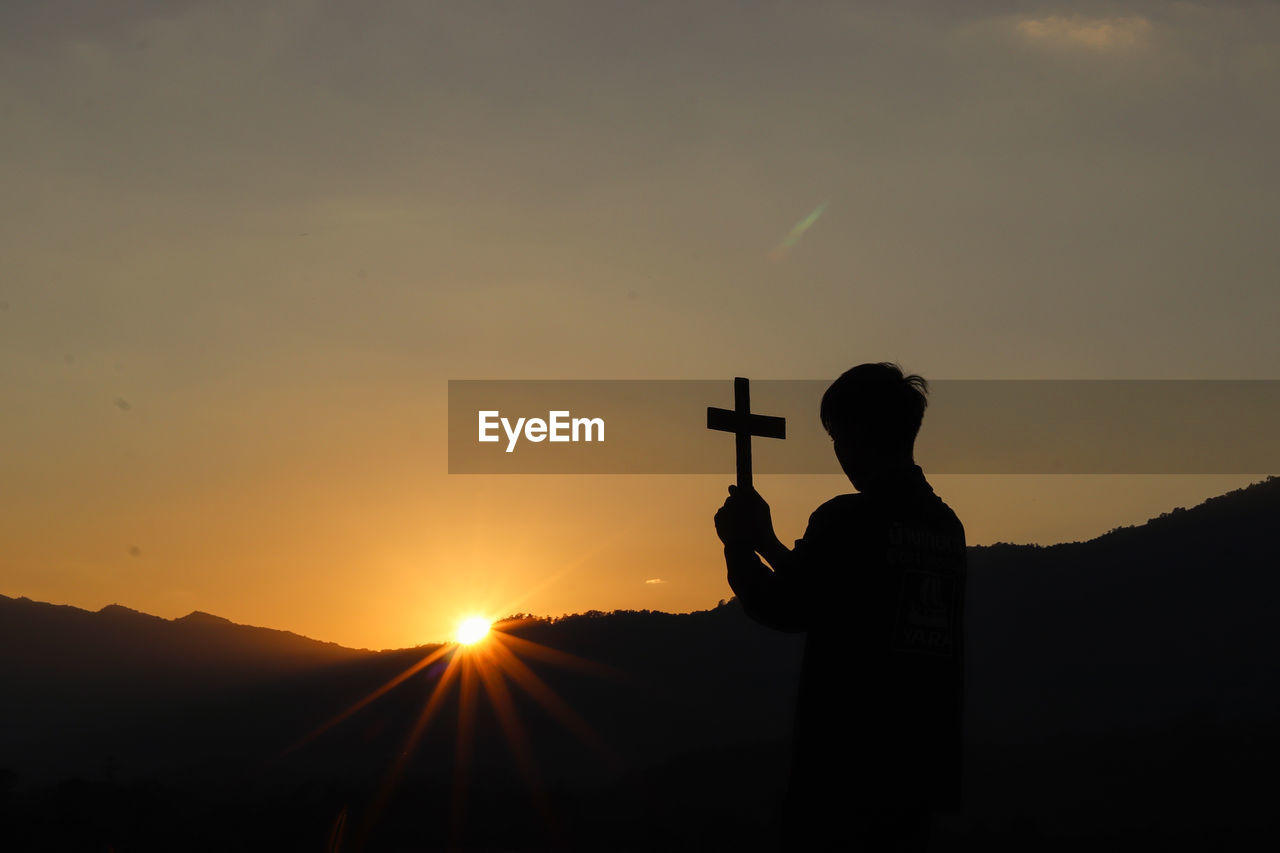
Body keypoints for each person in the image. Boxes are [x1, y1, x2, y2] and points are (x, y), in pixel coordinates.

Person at [715, 363, 966, 852]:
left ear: (858, 433)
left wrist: (739, 546)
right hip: (920, 766)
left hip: (846, 769)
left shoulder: (847, 519)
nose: (838, 451)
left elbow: (787, 605)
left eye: (836, 434)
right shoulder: (944, 527)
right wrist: (765, 539)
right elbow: (841, 594)